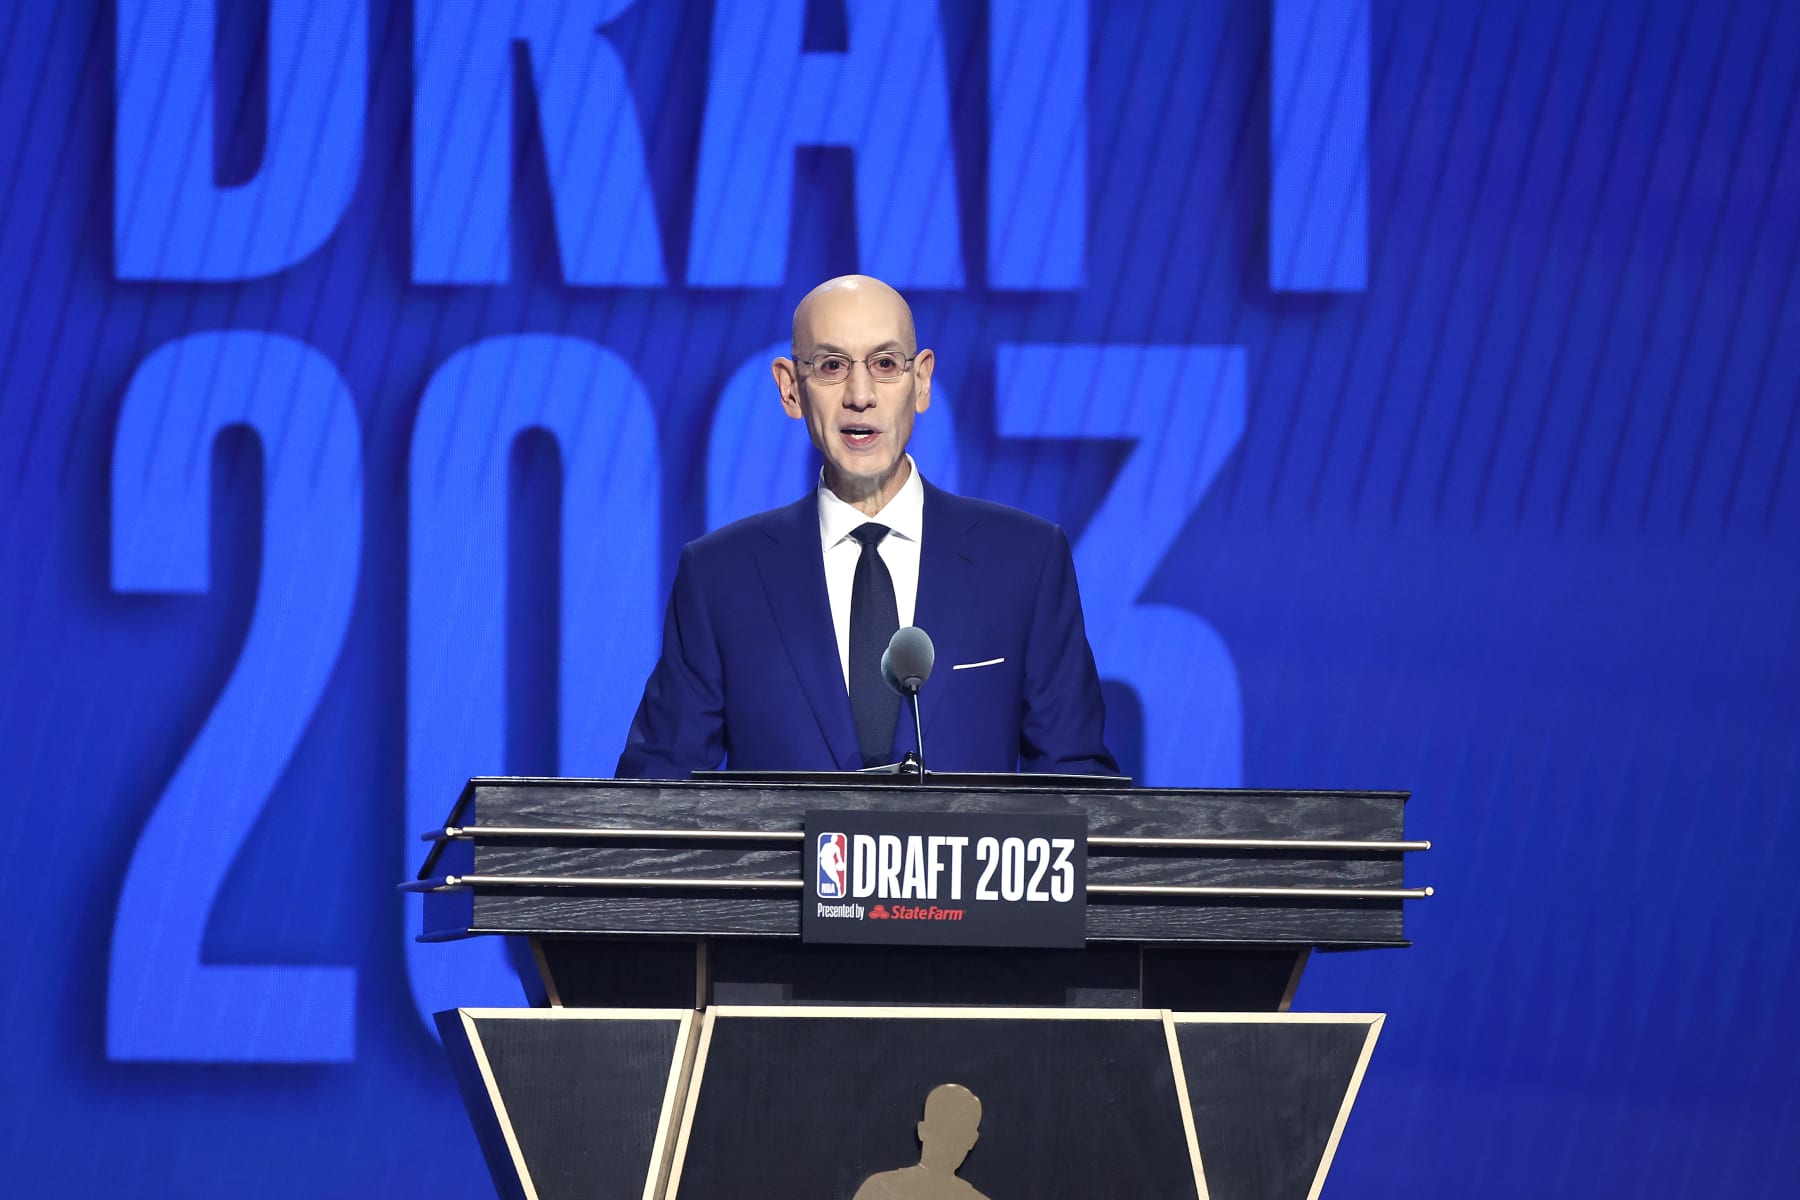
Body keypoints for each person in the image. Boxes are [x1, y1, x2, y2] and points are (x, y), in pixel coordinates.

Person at [615, 275, 1117, 778]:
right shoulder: (720, 576)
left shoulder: (1024, 561)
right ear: (791, 390)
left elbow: (1077, 790)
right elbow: (656, 794)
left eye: (884, 364)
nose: (861, 395)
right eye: (832, 366)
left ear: (920, 382)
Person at [852, 1083, 990, 1200]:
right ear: (923, 1130)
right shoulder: (880, 1188)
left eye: (960, 1134)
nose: (950, 1143)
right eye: (943, 1129)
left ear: (972, 1140)